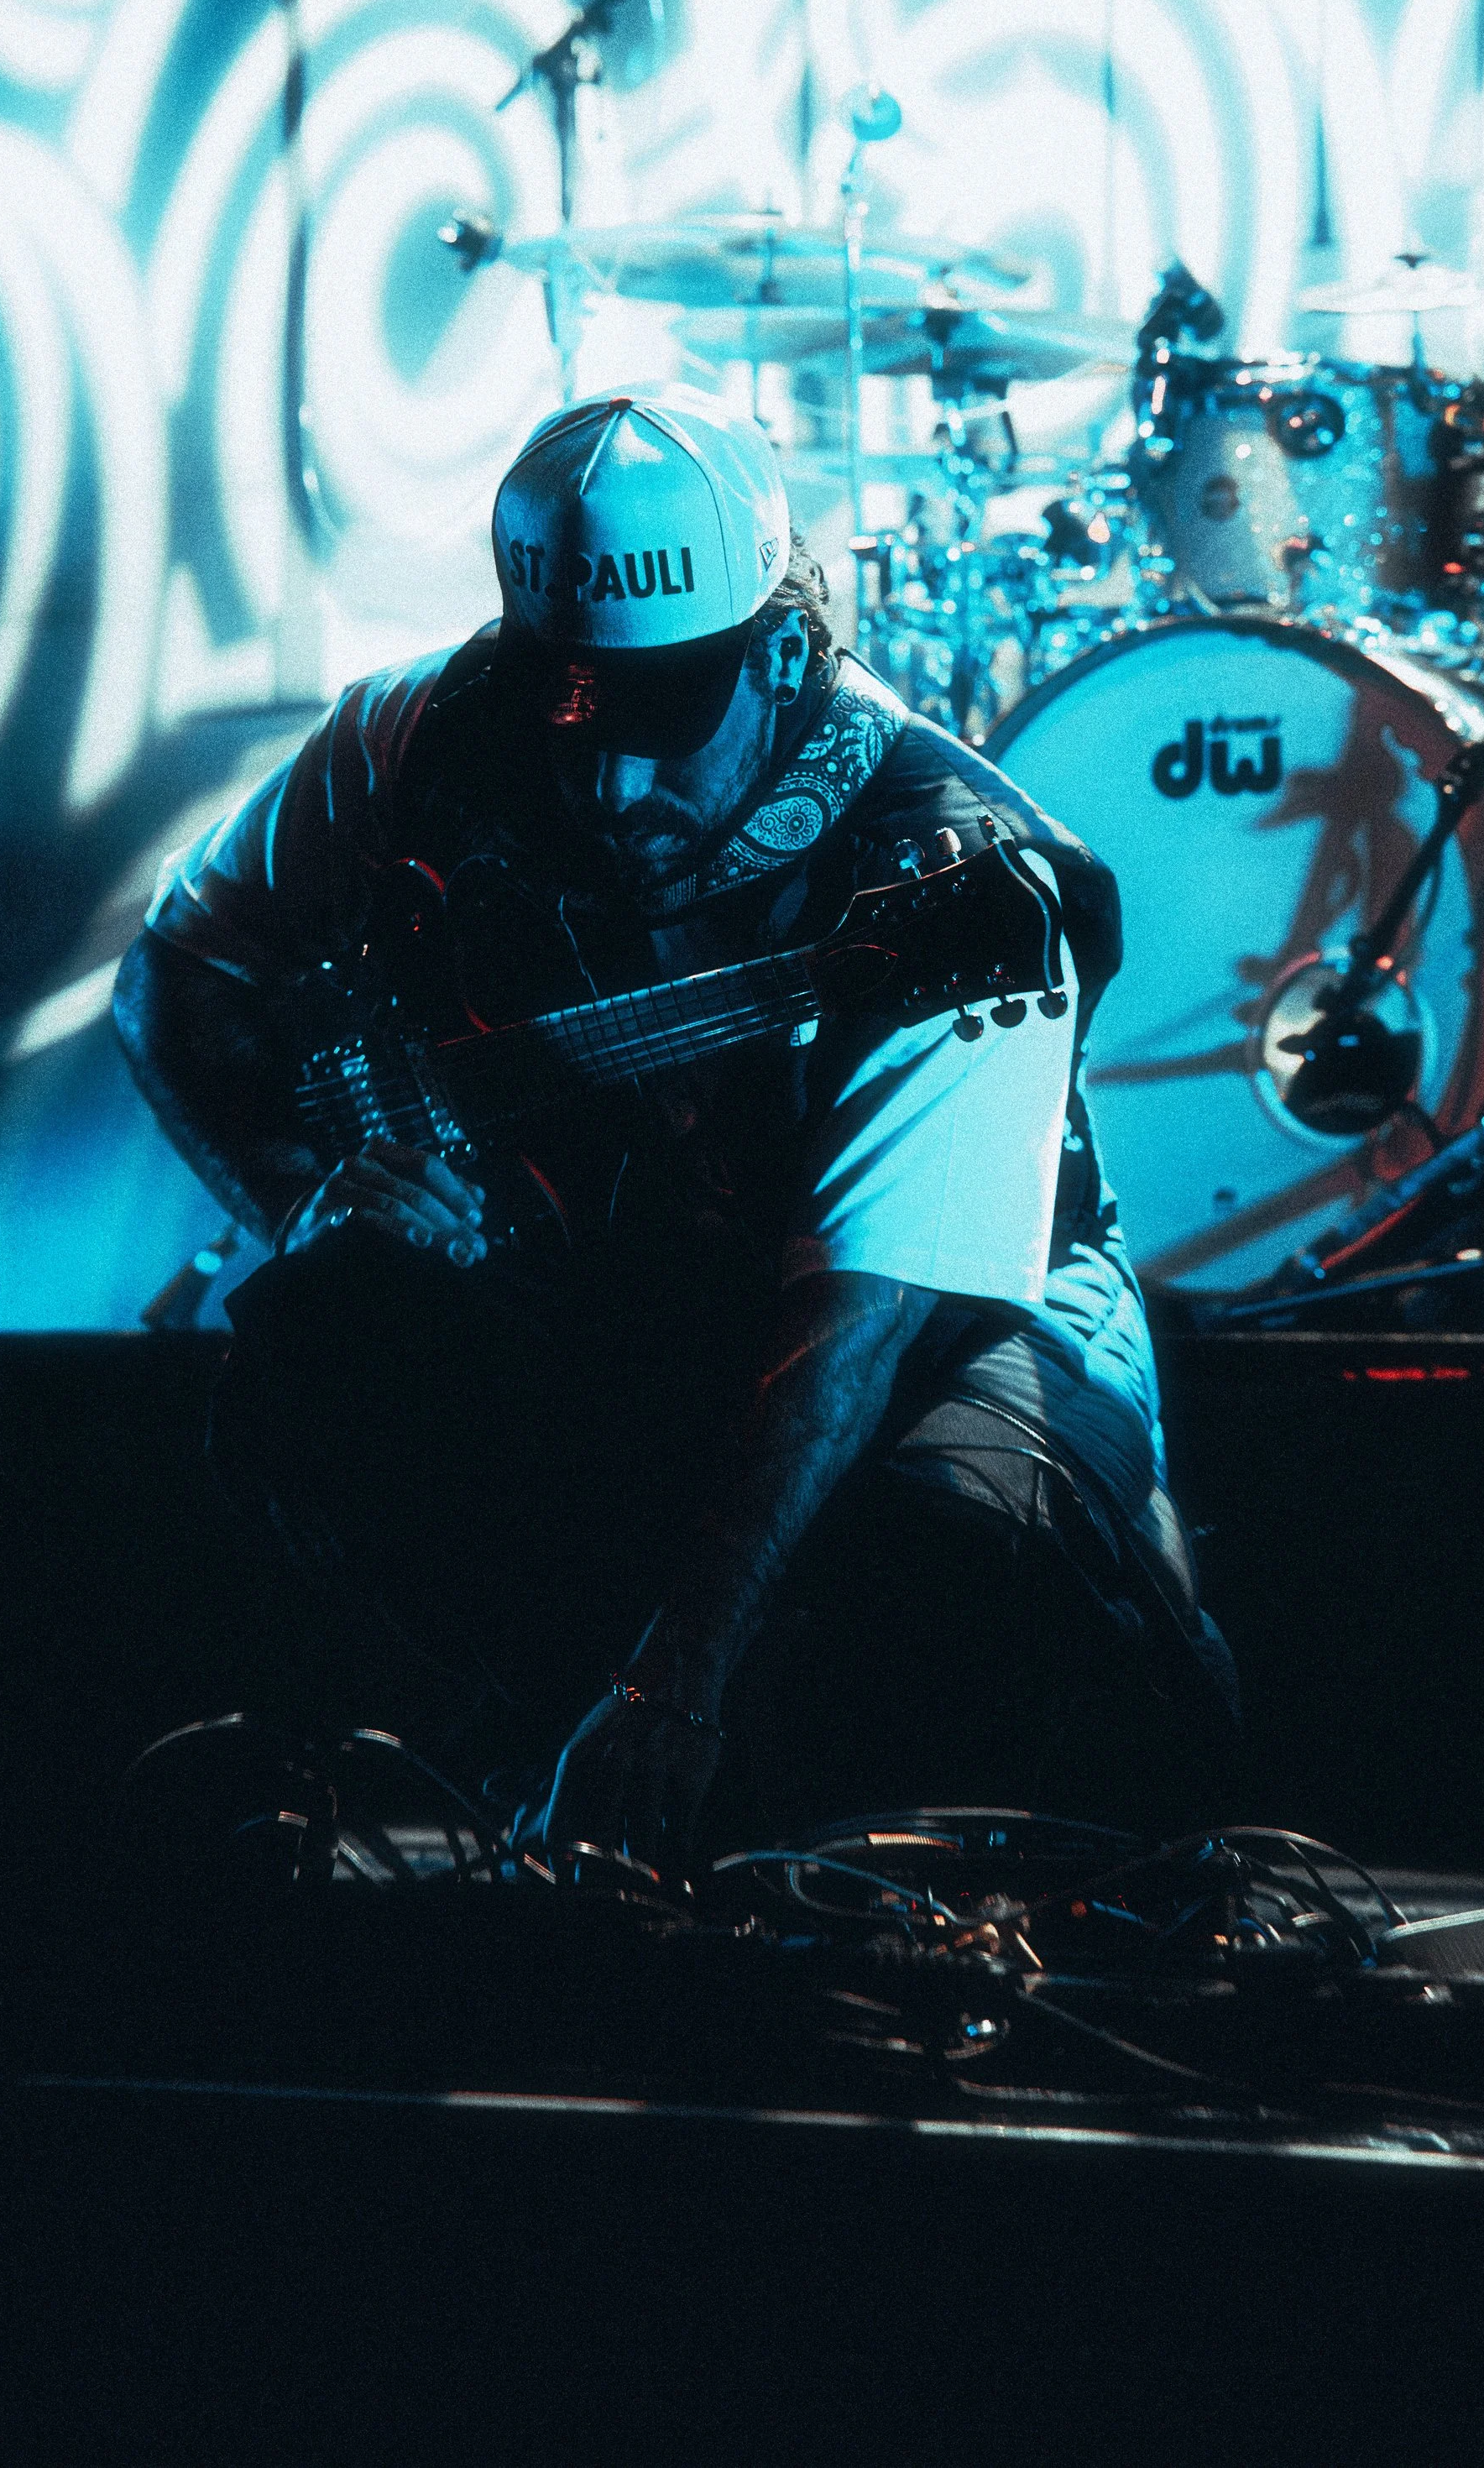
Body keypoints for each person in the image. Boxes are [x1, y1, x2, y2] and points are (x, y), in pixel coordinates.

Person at [115, 391, 1236, 1869]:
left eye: (657, 718)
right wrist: (304, 1192)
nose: (608, 779)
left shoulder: (959, 881)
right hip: (630, 1296)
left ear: (782, 654)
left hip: (944, 1329)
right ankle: (551, 1754)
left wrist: (675, 1682)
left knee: (959, 1564)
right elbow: (177, 976)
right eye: (562, 712)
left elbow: (857, 1315)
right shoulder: (413, 734)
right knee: (310, 1353)